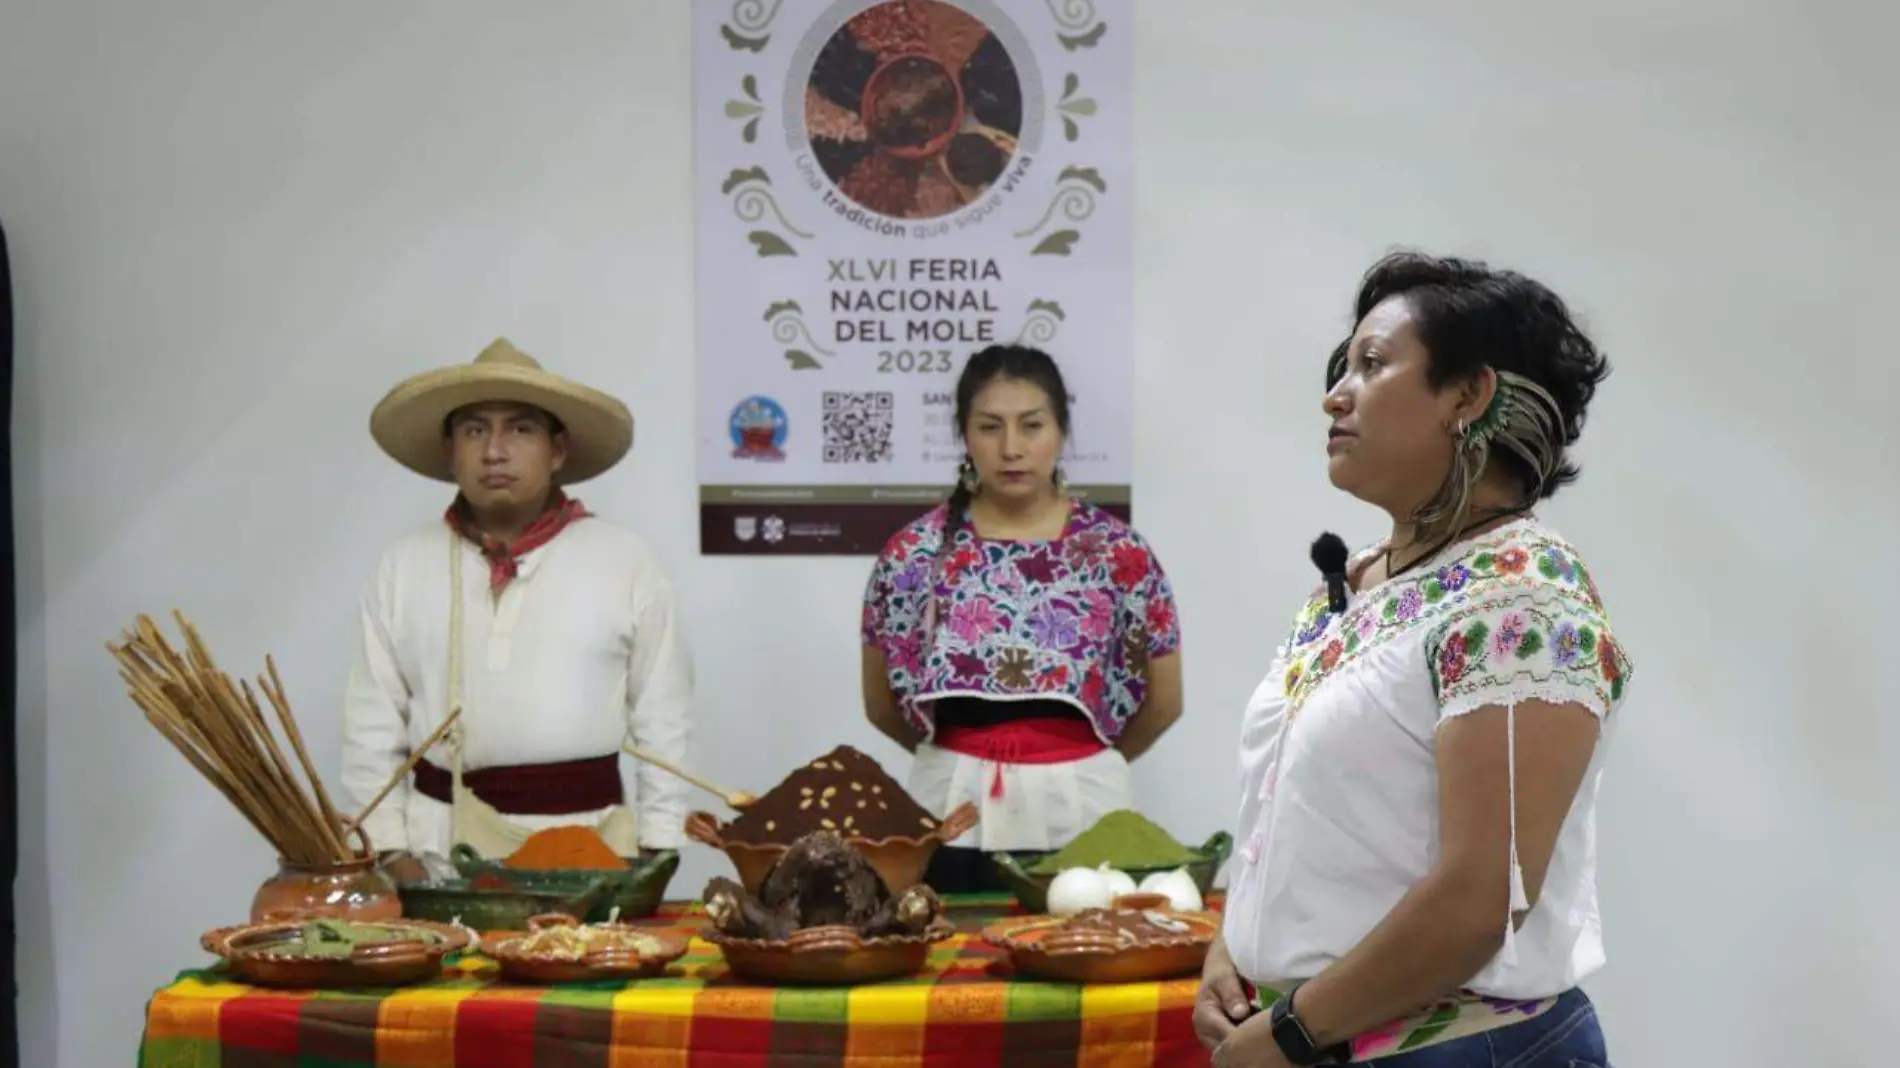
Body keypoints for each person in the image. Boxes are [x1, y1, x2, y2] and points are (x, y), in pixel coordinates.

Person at [1200, 253, 1630, 1067]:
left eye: (1371, 364)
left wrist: (1289, 1031)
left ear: (1468, 396)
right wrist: (1236, 948)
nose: (1334, 394)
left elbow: (1480, 897)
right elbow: (1306, 816)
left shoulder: (1523, 598)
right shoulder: (1363, 580)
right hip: (1324, 1033)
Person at [340, 338, 694, 883]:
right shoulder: (403, 565)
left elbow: (663, 718)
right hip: (436, 855)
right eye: (475, 430)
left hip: (592, 852)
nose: (494, 451)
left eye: (521, 429)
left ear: (557, 451)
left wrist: (658, 846)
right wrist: (389, 851)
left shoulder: (626, 561)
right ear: (450, 450)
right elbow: (371, 721)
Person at [860, 344, 1184, 894]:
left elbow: (1162, 702)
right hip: (950, 809)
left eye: (1031, 425)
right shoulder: (914, 554)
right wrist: (962, 756)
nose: (1012, 448)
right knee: (949, 968)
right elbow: (882, 703)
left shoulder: (1117, 554)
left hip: (1084, 806)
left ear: (1061, 430)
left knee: (1090, 960)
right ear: (964, 436)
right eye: (990, 427)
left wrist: (1070, 762)